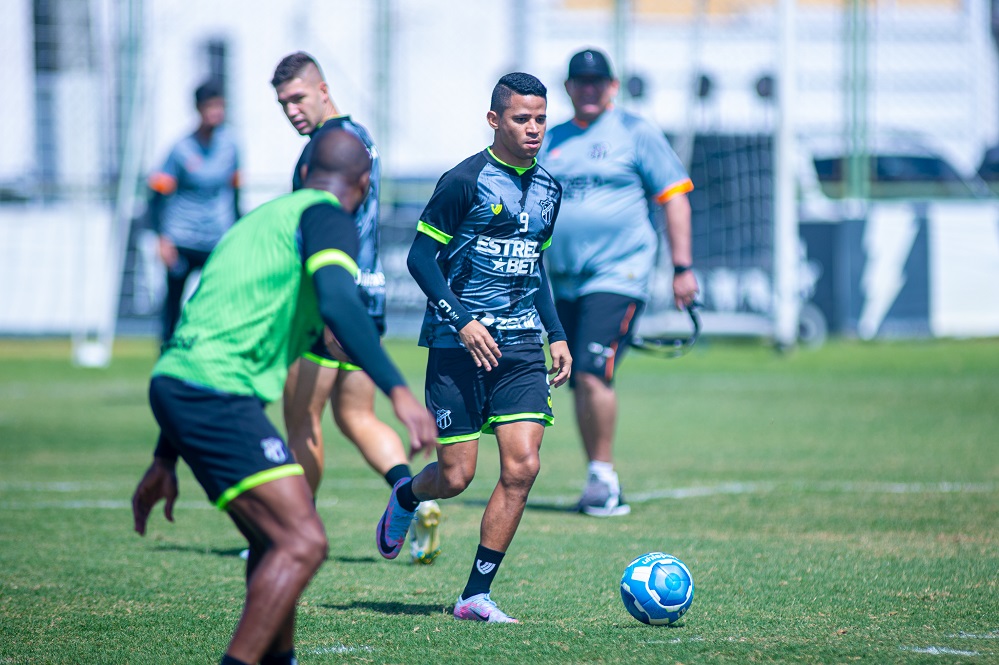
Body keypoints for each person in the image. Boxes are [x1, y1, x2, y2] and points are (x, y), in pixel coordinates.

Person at [131, 128, 438, 665]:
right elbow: (343, 304)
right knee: (302, 542)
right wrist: (400, 394)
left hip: (182, 386)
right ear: (363, 184)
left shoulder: (257, 223)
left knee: (274, 538)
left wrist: (163, 456)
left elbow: (211, 332)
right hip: (215, 396)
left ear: (303, 173)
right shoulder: (327, 217)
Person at [375, 72, 571, 623]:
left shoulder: (552, 188)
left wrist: (555, 333)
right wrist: (461, 320)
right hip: (458, 345)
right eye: (520, 119)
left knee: (523, 467)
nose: (533, 129)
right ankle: (408, 497)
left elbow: (536, 267)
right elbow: (420, 260)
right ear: (494, 120)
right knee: (456, 476)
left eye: (540, 118)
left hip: (521, 346)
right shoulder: (464, 181)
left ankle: (474, 596)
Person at [270, 52, 442, 563]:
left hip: (330, 299)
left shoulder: (326, 149)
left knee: (302, 418)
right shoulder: (361, 137)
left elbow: (313, 231)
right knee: (356, 415)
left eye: (298, 97)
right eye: (282, 104)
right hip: (370, 294)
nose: (292, 110)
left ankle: (296, 528)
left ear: (323, 88)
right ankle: (409, 496)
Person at [538, 48, 698, 517]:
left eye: (597, 81)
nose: (588, 88)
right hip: (560, 280)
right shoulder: (551, 139)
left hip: (619, 272)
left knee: (591, 369)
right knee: (577, 377)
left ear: (612, 86)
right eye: (579, 81)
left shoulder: (635, 132)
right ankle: (594, 474)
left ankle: (604, 478)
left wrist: (682, 268)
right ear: (568, 87)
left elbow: (674, 198)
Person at [147, 79, 241, 347]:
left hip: (217, 238)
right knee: (174, 302)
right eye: (211, 107)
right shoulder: (180, 149)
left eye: (220, 106)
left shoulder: (231, 146)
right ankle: (167, 358)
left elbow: (235, 193)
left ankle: (216, 352)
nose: (216, 113)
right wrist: (162, 238)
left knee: (222, 299)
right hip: (183, 238)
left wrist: (237, 233)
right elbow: (157, 195)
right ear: (199, 109)